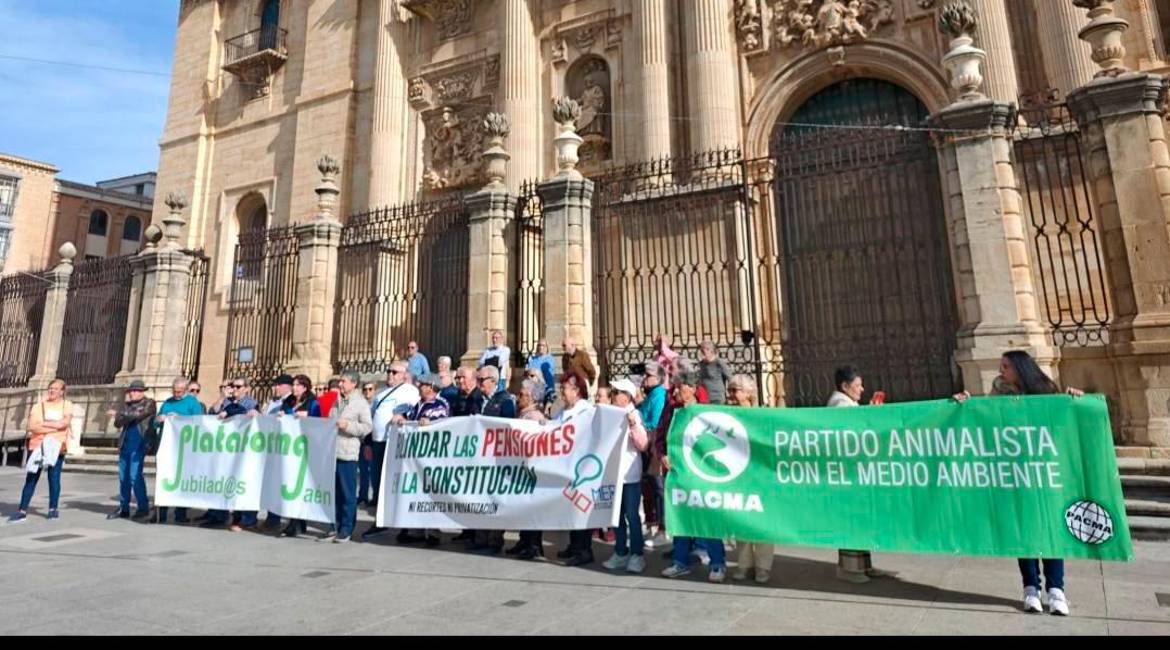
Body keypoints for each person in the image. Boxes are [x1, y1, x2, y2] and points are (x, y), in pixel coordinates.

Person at [954, 351, 1083, 617]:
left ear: (1021, 369)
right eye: (1001, 366)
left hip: (1043, 474)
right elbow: (983, 420)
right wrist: (965, 405)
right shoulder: (998, 393)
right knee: (1023, 532)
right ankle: (1030, 588)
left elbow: (1063, 422)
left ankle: (1056, 589)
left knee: (1049, 532)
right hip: (1015, 474)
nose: (1001, 372)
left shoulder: (1046, 392)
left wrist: (1074, 401)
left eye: (1006, 367)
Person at [660, 369, 727, 583]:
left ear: (692, 389)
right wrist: (662, 454)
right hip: (679, 472)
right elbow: (662, 435)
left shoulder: (707, 411)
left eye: (681, 387)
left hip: (703, 473)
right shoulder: (673, 411)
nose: (677, 391)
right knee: (680, 517)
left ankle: (717, 563)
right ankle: (680, 561)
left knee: (707, 518)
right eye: (676, 387)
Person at [826, 365, 889, 583]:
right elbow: (852, 431)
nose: (861, 390)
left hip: (858, 471)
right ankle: (849, 569)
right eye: (857, 386)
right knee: (851, 520)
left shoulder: (849, 404)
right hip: (847, 473)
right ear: (844, 386)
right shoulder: (838, 405)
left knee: (862, 519)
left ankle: (864, 565)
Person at [361, 361, 420, 541]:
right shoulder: (381, 394)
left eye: (394, 372)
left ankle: (404, 524)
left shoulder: (408, 390)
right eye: (388, 371)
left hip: (394, 442)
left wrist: (401, 414)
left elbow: (411, 408)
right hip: (378, 441)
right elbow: (372, 418)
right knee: (378, 480)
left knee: (397, 482)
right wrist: (368, 443)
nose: (390, 374)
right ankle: (380, 519)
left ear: (404, 374)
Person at [392, 373, 450, 546]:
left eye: (423, 385)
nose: (420, 387)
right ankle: (416, 530)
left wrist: (430, 422)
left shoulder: (440, 404)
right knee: (416, 492)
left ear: (431, 387)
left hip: (433, 457)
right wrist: (403, 420)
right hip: (415, 456)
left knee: (431, 494)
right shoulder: (418, 404)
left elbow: (442, 421)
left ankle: (433, 532)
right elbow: (410, 420)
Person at [727, 375, 774, 583]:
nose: (732, 395)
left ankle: (763, 566)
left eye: (735, 390)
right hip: (739, 474)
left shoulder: (761, 415)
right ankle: (744, 564)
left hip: (759, 474)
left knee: (763, 522)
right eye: (730, 390)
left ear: (748, 392)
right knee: (742, 520)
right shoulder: (728, 415)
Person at [8, 379, 73, 523]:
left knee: (54, 478)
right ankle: (22, 510)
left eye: (56, 389)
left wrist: (44, 424)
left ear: (62, 391)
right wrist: (54, 426)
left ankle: (53, 509)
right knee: (31, 478)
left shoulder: (66, 405)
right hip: (38, 446)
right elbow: (32, 426)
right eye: (50, 388)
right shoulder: (38, 406)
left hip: (57, 446)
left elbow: (65, 423)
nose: (52, 391)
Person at [318, 371, 372, 544]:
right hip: (333, 451)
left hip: (348, 452)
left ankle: (346, 528)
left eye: (344, 381)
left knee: (347, 493)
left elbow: (367, 427)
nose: (340, 384)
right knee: (335, 493)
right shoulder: (337, 401)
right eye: (340, 381)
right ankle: (334, 525)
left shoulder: (361, 403)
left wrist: (348, 425)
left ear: (353, 384)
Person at [601, 378, 649, 574]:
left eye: (618, 392)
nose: (614, 395)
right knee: (616, 515)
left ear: (627, 396)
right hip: (613, 473)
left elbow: (643, 444)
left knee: (632, 515)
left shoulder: (634, 414)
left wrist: (633, 427)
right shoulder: (610, 413)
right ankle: (620, 551)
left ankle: (637, 554)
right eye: (613, 392)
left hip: (629, 474)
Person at [469, 365, 517, 554]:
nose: (479, 383)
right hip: (479, 456)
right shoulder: (476, 400)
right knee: (479, 497)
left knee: (494, 498)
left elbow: (508, 425)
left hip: (496, 457)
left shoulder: (505, 400)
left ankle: (495, 539)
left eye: (482, 380)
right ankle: (480, 537)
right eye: (478, 379)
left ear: (493, 381)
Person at [554, 371, 596, 567]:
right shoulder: (563, 411)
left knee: (581, 508)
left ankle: (584, 549)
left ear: (576, 390)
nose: (561, 392)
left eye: (564, 388)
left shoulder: (586, 410)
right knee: (570, 508)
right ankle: (574, 544)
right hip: (565, 466)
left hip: (582, 466)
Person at [154, 377, 204, 525]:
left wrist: (180, 419)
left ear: (186, 390)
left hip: (184, 447)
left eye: (179, 392)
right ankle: (160, 514)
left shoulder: (193, 403)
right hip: (166, 446)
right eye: (174, 391)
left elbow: (199, 422)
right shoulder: (168, 402)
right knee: (163, 477)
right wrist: (159, 418)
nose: (176, 394)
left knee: (182, 479)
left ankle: (180, 514)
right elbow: (155, 421)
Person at [509, 379, 548, 560]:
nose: (519, 398)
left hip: (532, 469)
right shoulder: (523, 415)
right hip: (521, 468)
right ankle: (524, 540)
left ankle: (534, 545)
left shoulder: (535, 418)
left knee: (532, 507)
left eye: (523, 395)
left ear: (532, 398)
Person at [107, 380, 157, 521]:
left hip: (140, 444)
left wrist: (119, 414)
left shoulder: (149, 403)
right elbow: (118, 423)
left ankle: (142, 507)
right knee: (124, 478)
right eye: (131, 391)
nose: (133, 393)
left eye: (136, 391)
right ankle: (124, 507)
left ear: (142, 392)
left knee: (135, 476)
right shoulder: (126, 406)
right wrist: (121, 415)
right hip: (125, 444)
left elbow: (137, 415)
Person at [279, 374, 320, 538]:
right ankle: (296, 522)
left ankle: (296, 523)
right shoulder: (288, 402)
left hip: (305, 447)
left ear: (304, 387)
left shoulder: (313, 403)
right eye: (293, 385)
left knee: (301, 484)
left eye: (297, 385)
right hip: (290, 447)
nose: (294, 388)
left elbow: (319, 422)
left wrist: (307, 416)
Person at [639, 361, 669, 548]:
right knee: (653, 487)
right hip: (648, 443)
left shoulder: (658, 395)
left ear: (658, 379)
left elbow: (655, 421)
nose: (645, 378)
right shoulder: (650, 395)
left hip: (654, 445)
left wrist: (638, 424)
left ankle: (664, 528)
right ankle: (657, 525)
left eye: (648, 376)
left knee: (659, 489)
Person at [358, 380, 378, 508]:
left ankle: (375, 497)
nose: (367, 392)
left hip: (372, 440)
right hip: (360, 440)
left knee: (373, 471)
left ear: (374, 390)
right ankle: (363, 496)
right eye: (365, 389)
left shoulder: (376, 404)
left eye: (370, 389)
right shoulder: (360, 404)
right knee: (363, 471)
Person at [697, 341, 734, 405]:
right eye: (701, 352)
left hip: (717, 399)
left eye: (704, 352)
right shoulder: (701, 364)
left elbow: (730, 378)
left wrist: (731, 394)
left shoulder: (719, 364)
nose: (702, 354)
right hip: (704, 399)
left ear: (711, 351)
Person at [526, 339, 556, 403]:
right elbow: (527, 371)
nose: (541, 347)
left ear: (547, 347)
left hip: (546, 387)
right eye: (539, 345)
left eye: (543, 345)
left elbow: (546, 372)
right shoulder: (533, 359)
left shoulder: (550, 359)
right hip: (533, 388)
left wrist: (534, 372)